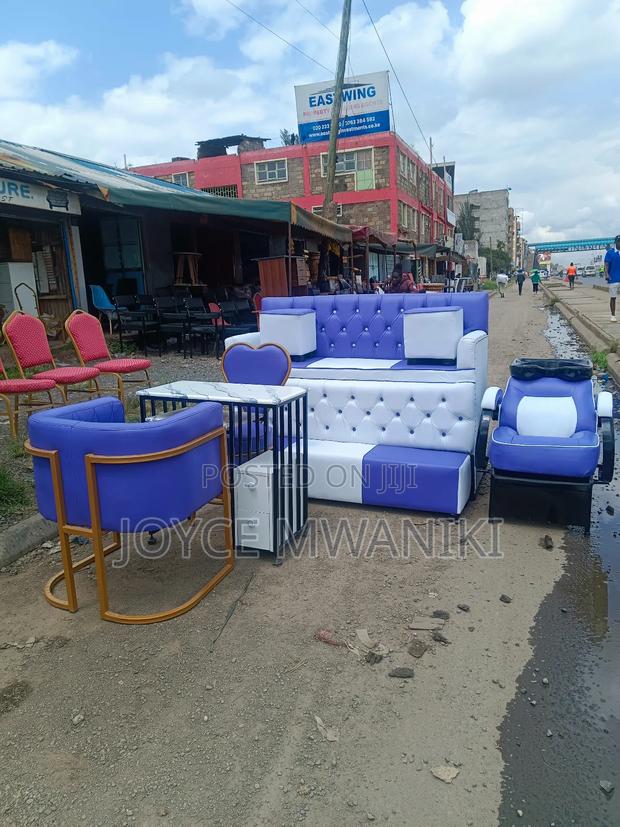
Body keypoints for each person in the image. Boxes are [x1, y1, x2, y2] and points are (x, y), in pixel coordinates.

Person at [604, 234, 620, 322]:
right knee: (613, 297)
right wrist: (607, 274)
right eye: (619, 242)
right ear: (616, 242)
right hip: (613, 278)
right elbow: (606, 264)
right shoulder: (610, 252)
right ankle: (613, 315)